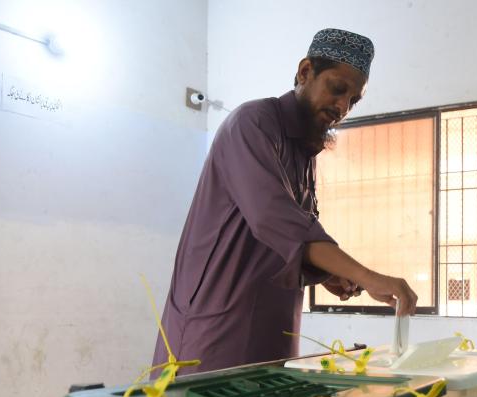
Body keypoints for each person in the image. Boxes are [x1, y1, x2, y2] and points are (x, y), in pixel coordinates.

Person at [154, 28, 417, 373]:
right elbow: (276, 221)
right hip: (215, 333)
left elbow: (282, 241)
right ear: (306, 71)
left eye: (353, 101)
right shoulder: (252, 124)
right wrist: (367, 276)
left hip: (272, 335)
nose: (342, 106)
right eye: (338, 89)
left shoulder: (304, 151)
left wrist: (325, 273)